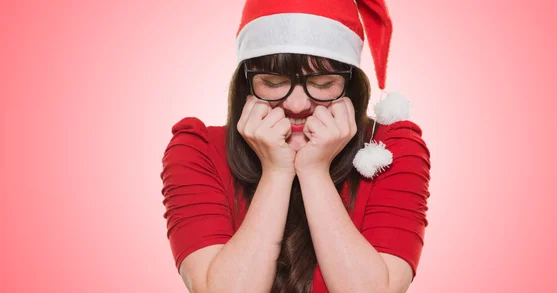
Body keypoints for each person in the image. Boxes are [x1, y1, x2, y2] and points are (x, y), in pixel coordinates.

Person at [159, 0, 432, 292]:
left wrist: (314, 171)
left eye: (324, 83)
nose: (297, 105)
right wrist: (276, 172)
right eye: (274, 82)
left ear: (351, 86)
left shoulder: (390, 150)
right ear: (246, 82)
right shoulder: (197, 150)